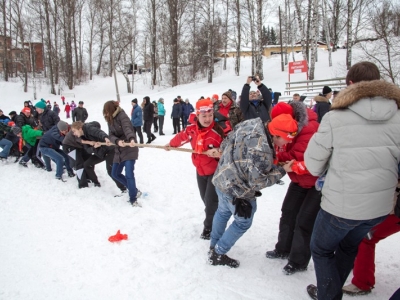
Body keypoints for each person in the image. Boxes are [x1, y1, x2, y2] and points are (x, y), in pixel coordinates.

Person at [304, 61, 400, 300]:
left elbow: (313, 165)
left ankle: (329, 295)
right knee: (348, 246)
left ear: (349, 84)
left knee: (321, 249)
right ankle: (331, 291)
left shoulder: (336, 118)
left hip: (341, 206)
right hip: (379, 207)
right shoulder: (398, 116)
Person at [207, 114, 295, 268]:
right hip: (237, 191)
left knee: (222, 212)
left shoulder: (252, 122)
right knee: (243, 222)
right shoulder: (262, 150)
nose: (288, 142)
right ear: (275, 134)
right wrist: (282, 170)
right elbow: (258, 182)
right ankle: (218, 253)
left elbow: (227, 140)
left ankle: (213, 245)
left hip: (222, 178)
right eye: (286, 139)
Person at [265, 101, 320, 275]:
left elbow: (297, 155)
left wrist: (274, 156)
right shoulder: (288, 127)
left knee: (304, 221)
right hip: (298, 179)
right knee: (288, 212)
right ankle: (283, 248)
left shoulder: (310, 129)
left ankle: (298, 261)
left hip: (315, 184)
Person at [164, 99, 224, 240]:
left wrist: (219, 151)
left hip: (215, 172)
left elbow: (229, 147)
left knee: (210, 202)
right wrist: (171, 145)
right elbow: (182, 137)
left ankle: (209, 228)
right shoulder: (192, 129)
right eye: (204, 116)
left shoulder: (218, 131)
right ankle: (216, 216)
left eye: (210, 115)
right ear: (197, 115)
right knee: (205, 200)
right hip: (200, 171)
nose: (208, 119)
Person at [70, 121, 128, 195]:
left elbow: (99, 132)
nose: (74, 133)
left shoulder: (88, 128)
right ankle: (96, 182)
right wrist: (94, 147)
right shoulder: (82, 137)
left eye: (74, 131)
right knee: (87, 164)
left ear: (80, 128)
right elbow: (88, 150)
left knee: (111, 172)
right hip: (101, 153)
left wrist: (106, 138)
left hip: (110, 151)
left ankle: (123, 188)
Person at [103, 101, 141, 207]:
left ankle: (133, 198)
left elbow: (128, 129)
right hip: (119, 149)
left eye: (106, 111)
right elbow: (111, 135)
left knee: (129, 174)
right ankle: (135, 190)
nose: (105, 113)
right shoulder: (109, 119)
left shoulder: (122, 116)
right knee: (115, 173)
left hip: (129, 146)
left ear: (111, 110)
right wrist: (117, 141)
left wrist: (132, 139)